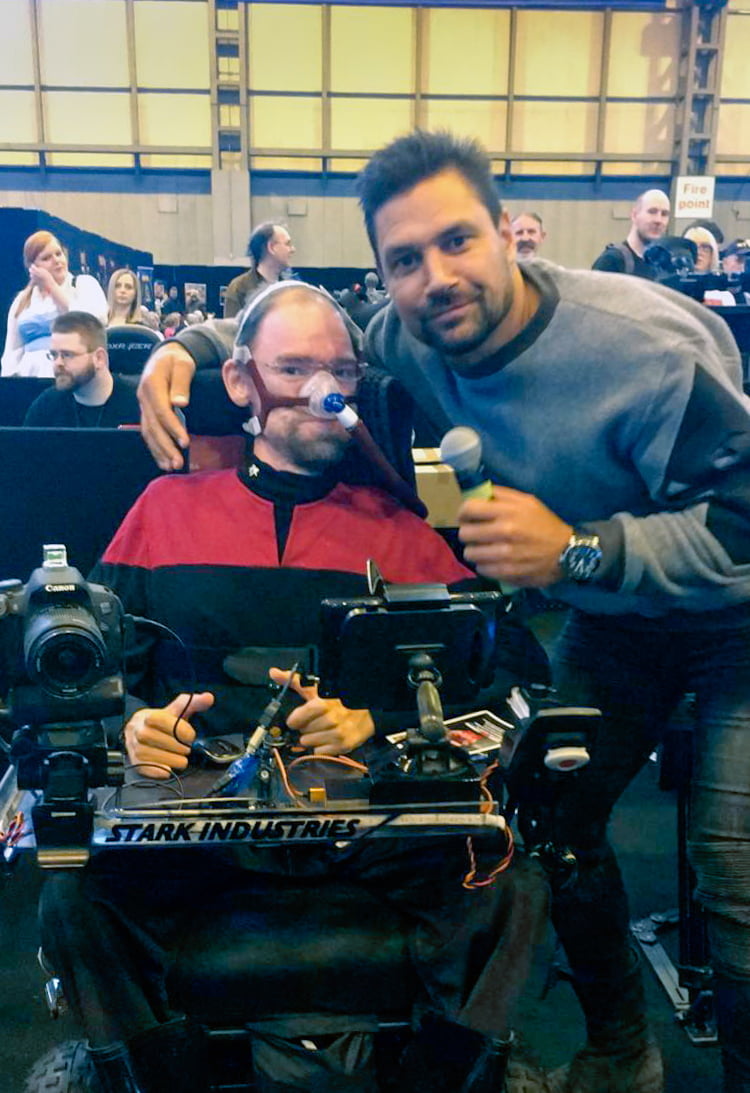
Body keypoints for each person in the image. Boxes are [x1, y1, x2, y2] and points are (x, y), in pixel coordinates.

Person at [135, 130, 750, 1093]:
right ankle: (622, 1046)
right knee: (552, 821)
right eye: (405, 259)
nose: (435, 276)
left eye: (458, 241)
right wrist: (178, 349)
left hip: (730, 621)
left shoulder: (648, 348)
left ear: (511, 235)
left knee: (734, 870)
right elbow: (298, 340)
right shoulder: (410, 330)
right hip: (614, 622)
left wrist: (584, 549)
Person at [39, 280, 549, 1093]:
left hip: (368, 828)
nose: (326, 390)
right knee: (71, 903)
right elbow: (80, 673)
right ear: (241, 382)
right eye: (297, 368)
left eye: (341, 370)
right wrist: (130, 726)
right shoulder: (162, 510)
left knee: (509, 886)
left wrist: (375, 724)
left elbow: (510, 677)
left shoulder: (403, 532)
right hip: (196, 827)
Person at [2, 231, 108, 377]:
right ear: (32, 266)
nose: (56, 260)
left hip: (70, 371)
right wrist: (8, 378)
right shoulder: (23, 299)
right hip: (29, 373)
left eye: (59, 254)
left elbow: (95, 321)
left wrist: (52, 287)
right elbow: (12, 348)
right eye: (46, 258)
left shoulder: (83, 284)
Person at [23, 311, 139, 428]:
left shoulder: (140, 405)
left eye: (67, 355)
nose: (58, 363)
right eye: (54, 355)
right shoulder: (45, 407)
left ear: (99, 358)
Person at [591, 188, 671, 279]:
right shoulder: (612, 262)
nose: (658, 220)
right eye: (652, 212)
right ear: (634, 215)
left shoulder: (664, 267)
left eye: (664, 214)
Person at [223, 222, 296, 319]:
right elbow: (230, 331)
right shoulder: (239, 288)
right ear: (272, 247)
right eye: (288, 244)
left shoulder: (290, 288)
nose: (292, 249)